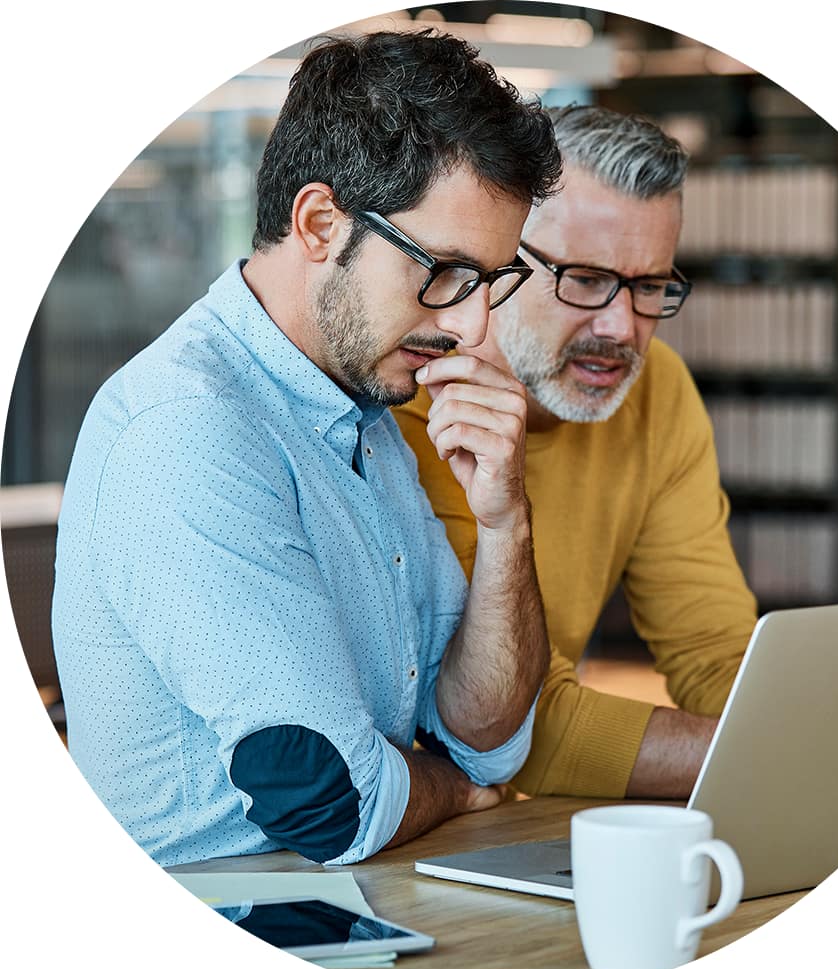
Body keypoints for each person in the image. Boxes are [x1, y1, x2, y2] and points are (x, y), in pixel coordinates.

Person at [51, 30, 562, 867]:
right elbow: (327, 802)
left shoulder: (362, 406)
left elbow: (485, 739)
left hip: (365, 903)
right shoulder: (188, 430)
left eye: (490, 284)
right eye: (444, 273)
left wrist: (507, 526)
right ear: (320, 222)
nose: (471, 327)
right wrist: (454, 793)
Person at [395, 105, 758, 801]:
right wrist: (768, 756)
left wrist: (816, 732)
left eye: (649, 286)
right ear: (500, 260)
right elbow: (509, 725)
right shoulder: (412, 403)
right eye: (585, 280)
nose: (621, 327)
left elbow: (716, 655)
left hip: (508, 830)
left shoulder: (659, 394)